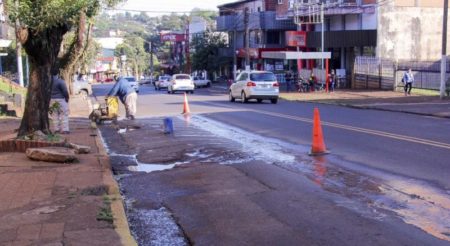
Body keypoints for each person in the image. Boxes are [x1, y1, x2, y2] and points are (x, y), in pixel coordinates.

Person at [49, 69, 70, 134]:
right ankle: (65, 130)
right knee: (64, 114)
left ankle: (56, 130)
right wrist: (67, 98)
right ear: (58, 73)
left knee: (54, 115)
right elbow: (65, 91)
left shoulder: (49, 82)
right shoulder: (60, 81)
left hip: (52, 100)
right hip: (61, 100)